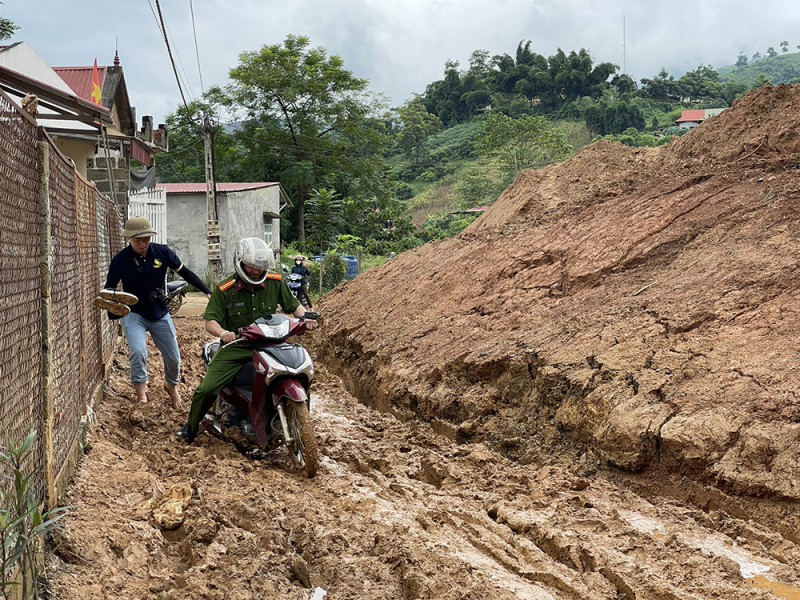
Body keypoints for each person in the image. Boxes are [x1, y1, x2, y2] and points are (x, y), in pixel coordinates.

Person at [178, 237, 317, 443]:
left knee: (299, 373)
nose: (256, 271)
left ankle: (300, 421)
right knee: (207, 389)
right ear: (240, 262)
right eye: (251, 266)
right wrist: (223, 333)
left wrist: (306, 317)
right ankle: (191, 426)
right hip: (237, 346)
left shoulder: (275, 281)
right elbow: (210, 322)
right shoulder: (225, 288)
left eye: (261, 267)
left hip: (271, 344)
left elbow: (294, 306)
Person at [104, 216, 212, 408]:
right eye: (137, 240)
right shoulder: (120, 260)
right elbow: (110, 289)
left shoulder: (162, 252)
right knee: (138, 352)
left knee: (173, 356)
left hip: (159, 312)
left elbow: (185, 272)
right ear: (129, 238)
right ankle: (141, 395)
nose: (142, 243)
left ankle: (171, 386)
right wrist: (113, 309)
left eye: (146, 239)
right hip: (134, 313)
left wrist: (207, 291)